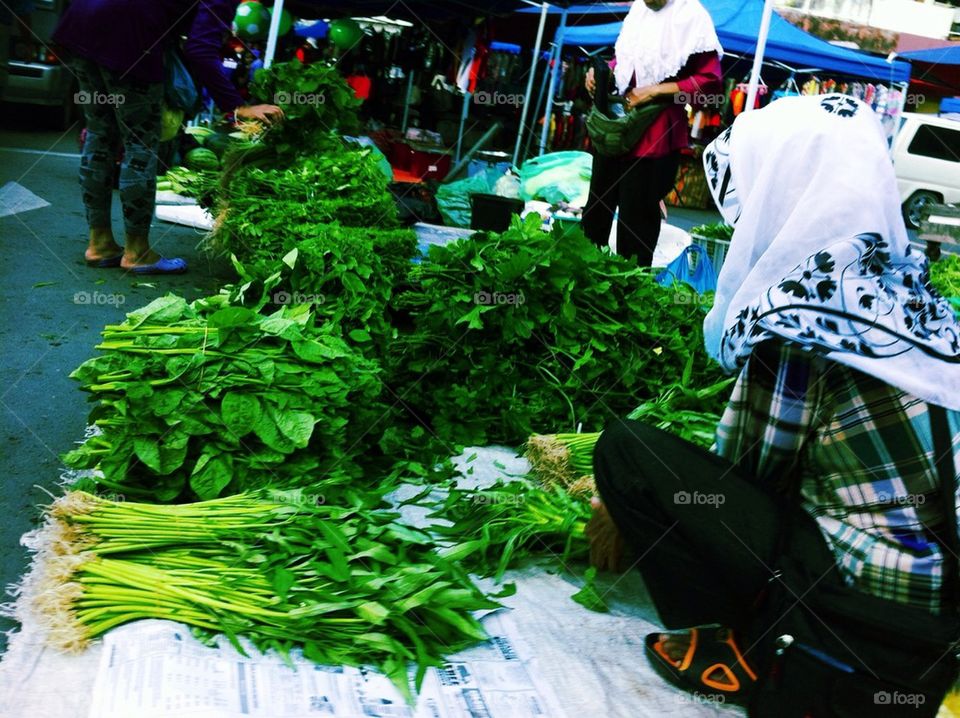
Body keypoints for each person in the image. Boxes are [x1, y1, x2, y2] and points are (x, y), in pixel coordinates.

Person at [588, 95, 960, 704]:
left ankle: (738, 643)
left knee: (627, 452)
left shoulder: (802, 313)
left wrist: (629, 512)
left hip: (858, 596)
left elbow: (750, 472)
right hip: (939, 595)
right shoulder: (906, 287)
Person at [52, 0, 285, 274]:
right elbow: (200, 49)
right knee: (140, 145)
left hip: (81, 22)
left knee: (99, 135)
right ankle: (137, 252)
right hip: (130, 35)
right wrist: (237, 106)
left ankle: (99, 243)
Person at [581, 0, 722, 265]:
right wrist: (602, 74)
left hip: (656, 135)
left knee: (636, 225)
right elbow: (628, 62)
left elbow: (710, 85)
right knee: (595, 213)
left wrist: (656, 91)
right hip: (617, 128)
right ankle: (582, 274)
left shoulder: (692, 17)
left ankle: (628, 285)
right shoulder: (638, 11)